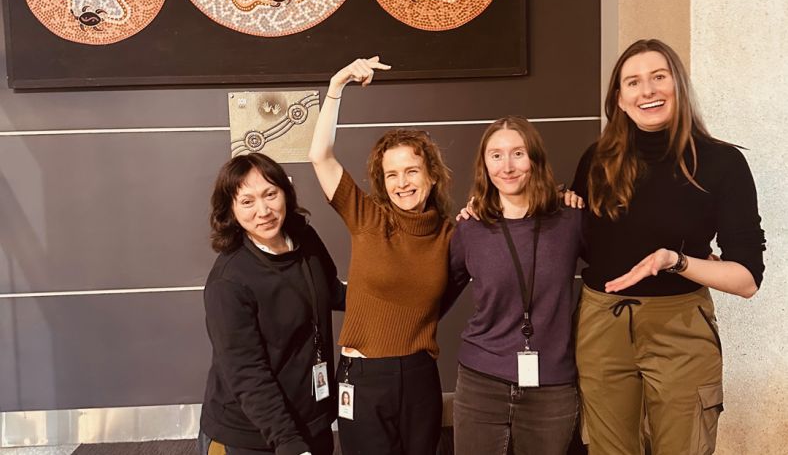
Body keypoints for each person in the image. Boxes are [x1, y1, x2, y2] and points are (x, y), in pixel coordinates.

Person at [571, 38, 766, 455]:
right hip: (601, 324)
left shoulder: (722, 163)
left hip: (680, 326)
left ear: (678, 85)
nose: (648, 91)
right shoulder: (595, 161)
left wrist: (675, 261)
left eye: (659, 77)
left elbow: (747, 280)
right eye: (634, 82)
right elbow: (577, 243)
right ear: (620, 100)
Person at [308, 55, 454, 455]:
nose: (402, 183)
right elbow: (320, 157)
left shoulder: (451, 233)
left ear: (432, 175)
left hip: (421, 372)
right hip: (363, 375)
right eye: (392, 174)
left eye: (411, 171)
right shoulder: (368, 217)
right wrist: (336, 86)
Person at [444, 116, 583, 455]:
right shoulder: (471, 227)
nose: (506, 166)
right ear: (484, 164)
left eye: (517, 153)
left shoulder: (570, 219)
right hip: (481, 382)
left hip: (552, 386)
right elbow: (434, 295)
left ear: (534, 158)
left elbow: (614, 269)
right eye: (496, 155)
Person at [198, 153, 345, 455]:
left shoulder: (305, 238)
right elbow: (247, 373)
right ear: (231, 210)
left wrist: (396, 300)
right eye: (248, 201)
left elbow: (332, 292)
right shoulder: (229, 280)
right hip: (252, 435)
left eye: (270, 194)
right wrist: (288, 442)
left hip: (312, 421)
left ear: (285, 194)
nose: (263, 210)